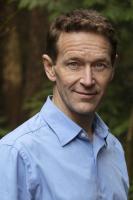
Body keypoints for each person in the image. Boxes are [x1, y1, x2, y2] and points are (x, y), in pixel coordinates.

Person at [0, 9, 129, 200]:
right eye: (74, 64)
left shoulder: (113, 148)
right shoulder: (16, 152)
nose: (87, 80)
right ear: (50, 68)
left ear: (112, 69)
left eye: (99, 65)